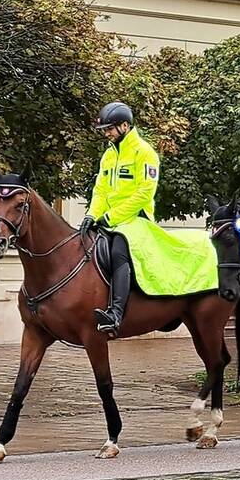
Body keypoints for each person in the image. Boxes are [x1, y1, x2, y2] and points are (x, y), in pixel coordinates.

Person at [80, 101, 160, 337]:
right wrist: (91, 215)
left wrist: (111, 216)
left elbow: (144, 192)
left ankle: (115, 314)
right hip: (108, 219)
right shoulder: (108, 156)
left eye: (109, 129)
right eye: (104, 130)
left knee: (118, 251)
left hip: (135, 219)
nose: (106, 134)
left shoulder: (144, 152)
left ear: (125, 126)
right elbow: (101, 191)